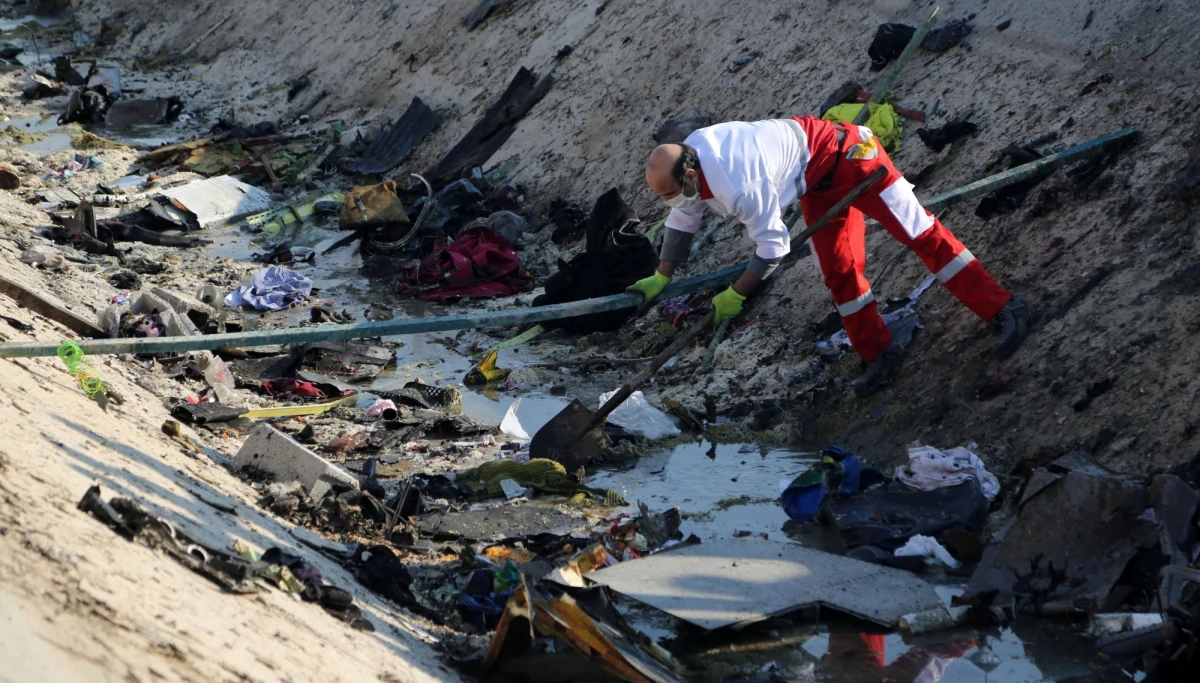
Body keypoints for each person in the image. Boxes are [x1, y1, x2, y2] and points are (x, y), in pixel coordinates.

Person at [628, 115, 1029, 396]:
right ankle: (878, 354)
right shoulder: (692, 161)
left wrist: (737, 293)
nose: (670, 201)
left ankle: (1005, 308)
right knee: (840, 272)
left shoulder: (740, 183)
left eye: (670, 192)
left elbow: (774, 247)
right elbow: (683, 215)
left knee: (921, 234)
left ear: (691, 174)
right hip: (817, 183)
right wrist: (662, 276)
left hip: (856, 158)